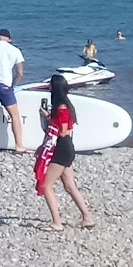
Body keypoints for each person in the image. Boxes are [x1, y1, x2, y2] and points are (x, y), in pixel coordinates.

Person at [34, 75, 96, 232]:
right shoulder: (67, 105)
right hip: (67, 148)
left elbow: (61, 131)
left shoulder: (61, 107)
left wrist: (48, 119)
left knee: (46, 185)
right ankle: (87, 218)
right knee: (69, 186)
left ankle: (57, 223)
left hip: (61, 149)